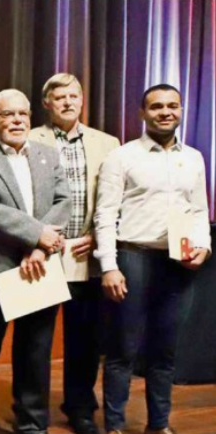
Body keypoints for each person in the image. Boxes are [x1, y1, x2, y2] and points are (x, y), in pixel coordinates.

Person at [95, 84, 211, 434]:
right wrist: (109, 266)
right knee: (122, 351)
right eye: (157, 106)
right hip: (133, 259)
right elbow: (105, 213)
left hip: (178, 263)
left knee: (165, 353)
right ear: (142, 113)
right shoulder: (123, 155)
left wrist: (204, 246)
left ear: (180, 110)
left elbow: (200, 209)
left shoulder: (193, 157)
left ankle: (158, 425)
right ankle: (114, 426)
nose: (165, 112)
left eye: (172, 106)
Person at [0, 89, 71, 434]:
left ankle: (32, 422)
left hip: (38, 267)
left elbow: (63, 201)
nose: (17, 120)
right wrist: (39, 235)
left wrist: (41, 249)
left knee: (35, 355)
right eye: (7, 115)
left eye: (22, 113)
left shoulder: (48, 155)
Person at [28, 73, 120, 434]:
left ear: (82, 100)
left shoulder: (108, 143)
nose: (67, 102)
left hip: (86, 253)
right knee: (35, 339)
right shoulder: (29, 137)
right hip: (41, 253)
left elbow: (118, 198)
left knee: (85, 339)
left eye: (73, 96)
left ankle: (80, 408)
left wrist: (99, 236)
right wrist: (38, 238)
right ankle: (32, 412)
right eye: (59, 97)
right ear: (47, 103)